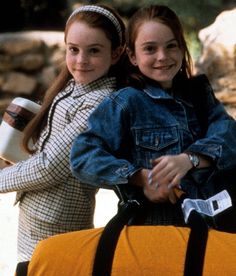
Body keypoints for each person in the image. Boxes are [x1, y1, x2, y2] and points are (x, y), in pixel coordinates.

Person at [70, 4, 236, 226]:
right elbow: (83, 156)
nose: (162, 56)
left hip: (217, 223)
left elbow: (230, 136)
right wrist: (141, 178)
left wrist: (190, 160)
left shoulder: (198, 94)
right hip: (155, 228)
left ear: (181, 48)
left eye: (171, 46)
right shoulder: (125, 102)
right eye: (150, 49)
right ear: (132, 55)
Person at [0, 4, 126, 261]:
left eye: (94, 51)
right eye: (74, 50)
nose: (81, 60)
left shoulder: (100, 102)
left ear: (116, 53)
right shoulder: (73, 87)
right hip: (36, 217)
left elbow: (50, 167)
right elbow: (48, 146)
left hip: (59, 224)